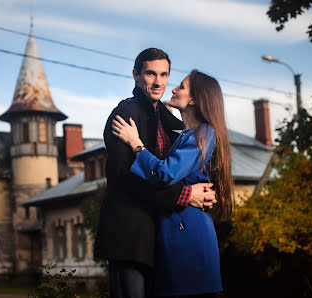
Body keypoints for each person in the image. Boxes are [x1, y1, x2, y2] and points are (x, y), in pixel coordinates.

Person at [94, 48, 217, 298]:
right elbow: (127, 178)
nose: (159, 82)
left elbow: (187, 165)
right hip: (129, 237)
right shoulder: (124, 114)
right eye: (151, 73)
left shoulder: (171, 119)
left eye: (164, 74)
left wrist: (207, 191)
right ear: (136, 76)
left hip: (161, 239)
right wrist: (185, 195)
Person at [112, 69, 234, 297]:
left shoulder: (205, 133)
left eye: (181, 86)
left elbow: (165, 174)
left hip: (188, 232)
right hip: (175, 227)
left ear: (195, 99)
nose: (174, 89)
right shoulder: (185, 135)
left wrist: (136, 145)